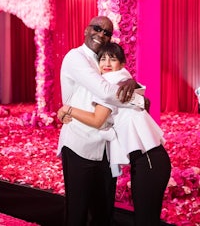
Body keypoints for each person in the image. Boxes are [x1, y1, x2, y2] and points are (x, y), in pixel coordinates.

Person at [59, 42, 171, 226]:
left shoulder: (112, 84)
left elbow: (97, 120)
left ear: (122, 63)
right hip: (150, 160)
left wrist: (67, 109)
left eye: (113, 58)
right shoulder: (124, 81)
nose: (106, 63)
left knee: (145, 221)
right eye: (102, 58)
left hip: (148, 161)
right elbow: (143, 103)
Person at [57, 16, 142, 226]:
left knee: (103, 213)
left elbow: (125, 78)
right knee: (77, 212)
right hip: (79, 144)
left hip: (105, 148)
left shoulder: (105, 58)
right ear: (87, 30)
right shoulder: (75, 57)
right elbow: (105, 92)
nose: (102, 35)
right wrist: (140, 99)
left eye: (107, 33)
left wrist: (133, 82)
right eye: (98, 29)